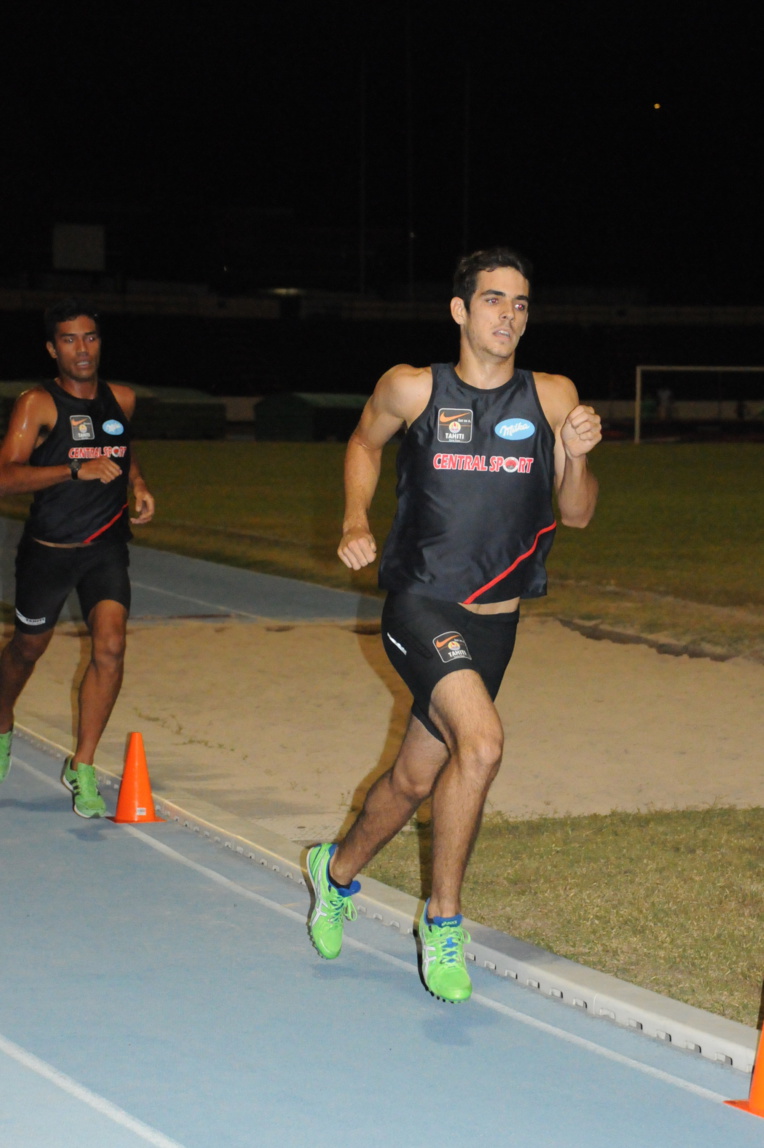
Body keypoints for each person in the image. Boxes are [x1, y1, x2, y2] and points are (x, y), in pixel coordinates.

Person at [306, 247, 601, 1002]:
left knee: (413, 779)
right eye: (495, 300)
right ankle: (443, 925)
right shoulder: (412, 389)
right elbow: (363, 444)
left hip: (497, 623)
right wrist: (351, 518)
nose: (510, 315)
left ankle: (334, 872)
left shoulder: (554, 396)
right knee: (485, 741)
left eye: (522, 303)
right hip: (419, 603)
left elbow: (577, 514)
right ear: (460, 310)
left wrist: (573, 458)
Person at [0, 298, 155, 816]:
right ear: (52, 349)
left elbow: (121, 450)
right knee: (27, 649)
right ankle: (1, 721)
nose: (81, 348)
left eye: (89, 337)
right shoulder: (36, 405)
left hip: (105, 548)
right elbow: (5, 478)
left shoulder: (123, 400)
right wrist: (71, 469)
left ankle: (82, 764)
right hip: (49, 553)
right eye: (68, 339)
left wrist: (137, 482)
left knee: (110, 647)